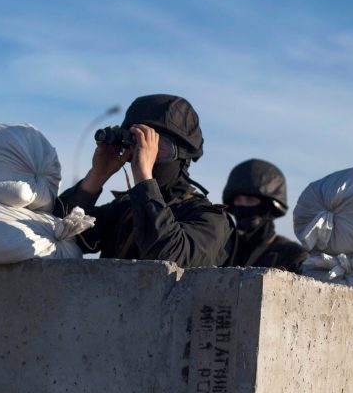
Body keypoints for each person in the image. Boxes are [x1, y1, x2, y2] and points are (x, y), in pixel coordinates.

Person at [54, 94, 234, 267]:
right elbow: (58, 233)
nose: (145, 154)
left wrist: (143, 176)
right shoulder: (125, 210)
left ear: (183, 157)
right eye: (137, 144)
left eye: (157, 147)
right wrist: (97, 176)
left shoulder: (210, 219)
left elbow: (166, 260)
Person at [222, 159, 308, 271]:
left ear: (268, 207)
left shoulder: (292, 256)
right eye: (238, 200)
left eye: (250, 200)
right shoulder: (222, 250)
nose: (242, 205)